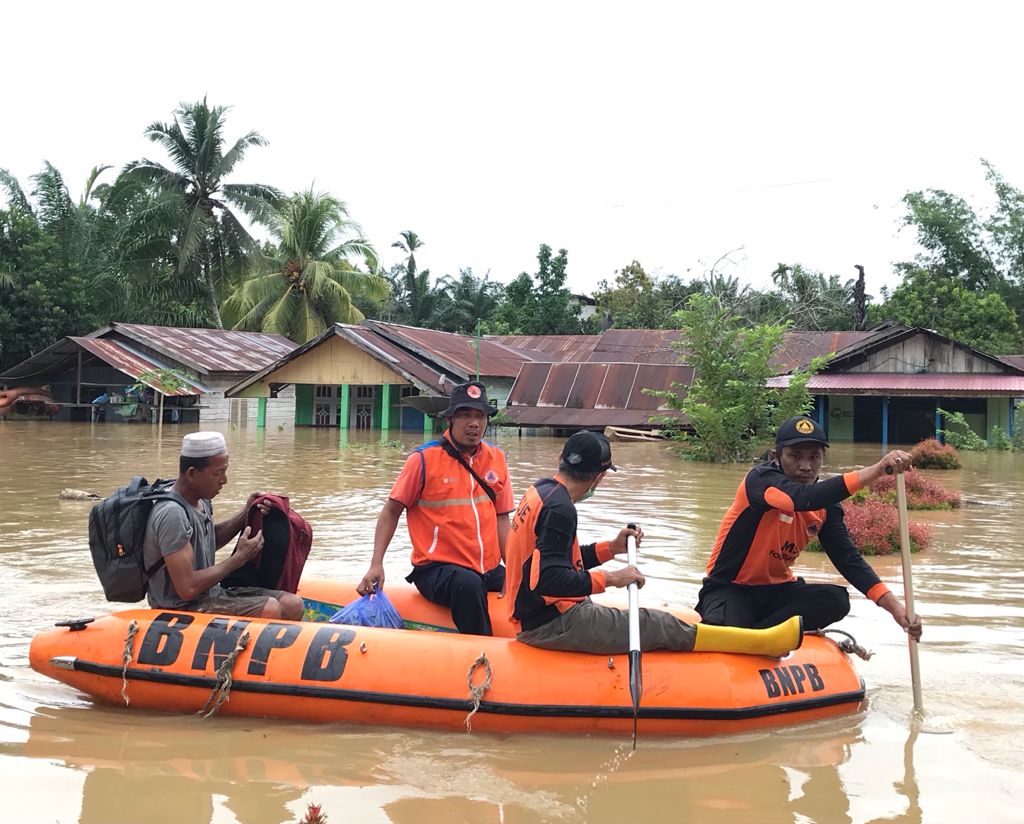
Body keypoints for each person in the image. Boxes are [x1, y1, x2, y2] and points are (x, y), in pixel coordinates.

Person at [506, 431, 802, 656]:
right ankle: (759, 644)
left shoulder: (542, 491)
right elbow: (549, 580)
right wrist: (613, 578)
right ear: (598, 476)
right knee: (656, 624)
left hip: (538, 614)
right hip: (550, 624)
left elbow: (558, 560)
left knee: (659, 618)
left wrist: (612, 547)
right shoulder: (561, 509)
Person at [695, 415, 924, 639]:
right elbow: (800, 499)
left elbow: (848, 559)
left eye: (814, 457)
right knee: (729, 629)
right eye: (795, 456)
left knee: (836, 600)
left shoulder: (826, 507)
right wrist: (877, 469)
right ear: (776, 456)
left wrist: (895, 608)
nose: (806, 466)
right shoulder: (760, 481)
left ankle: (761, 636)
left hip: (778, 592)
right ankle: (754, 636)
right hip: (730, 588)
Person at [357, 381, 514, 635]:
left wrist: (514, 570)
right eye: (465, 415)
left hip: (487, 568)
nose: (474, 423)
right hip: (436, 570)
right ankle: (483, 655)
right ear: (450, 419)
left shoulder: (496, 458)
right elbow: (391, 512)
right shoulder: (423, 459)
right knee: (469, 585)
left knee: (531, 581)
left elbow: (502, 520)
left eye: (480, 416)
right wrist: (376, 564)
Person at [143, 431, 304, 619]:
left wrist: (247, 511)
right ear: (192, 473)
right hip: (181, 606)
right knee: (270, 608)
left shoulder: (201, 500)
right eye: (218, 473)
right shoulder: (172, 514)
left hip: (211, 594)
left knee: (292, 604)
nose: (224, 480)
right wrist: (238, 559)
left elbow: (208, 539)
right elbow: (187, 588)